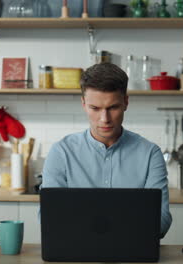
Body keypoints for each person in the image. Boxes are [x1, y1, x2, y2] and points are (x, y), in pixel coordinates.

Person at [41, 62, 172, 238]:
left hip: (134, 255)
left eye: (113, 107)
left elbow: (161, 220)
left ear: (126, 102)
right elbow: (49, 218)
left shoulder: (150, 154)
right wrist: (127, 223)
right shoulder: (61, 153)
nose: (104, 119)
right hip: (76, 255)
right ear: (83, 104)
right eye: (95, 108)